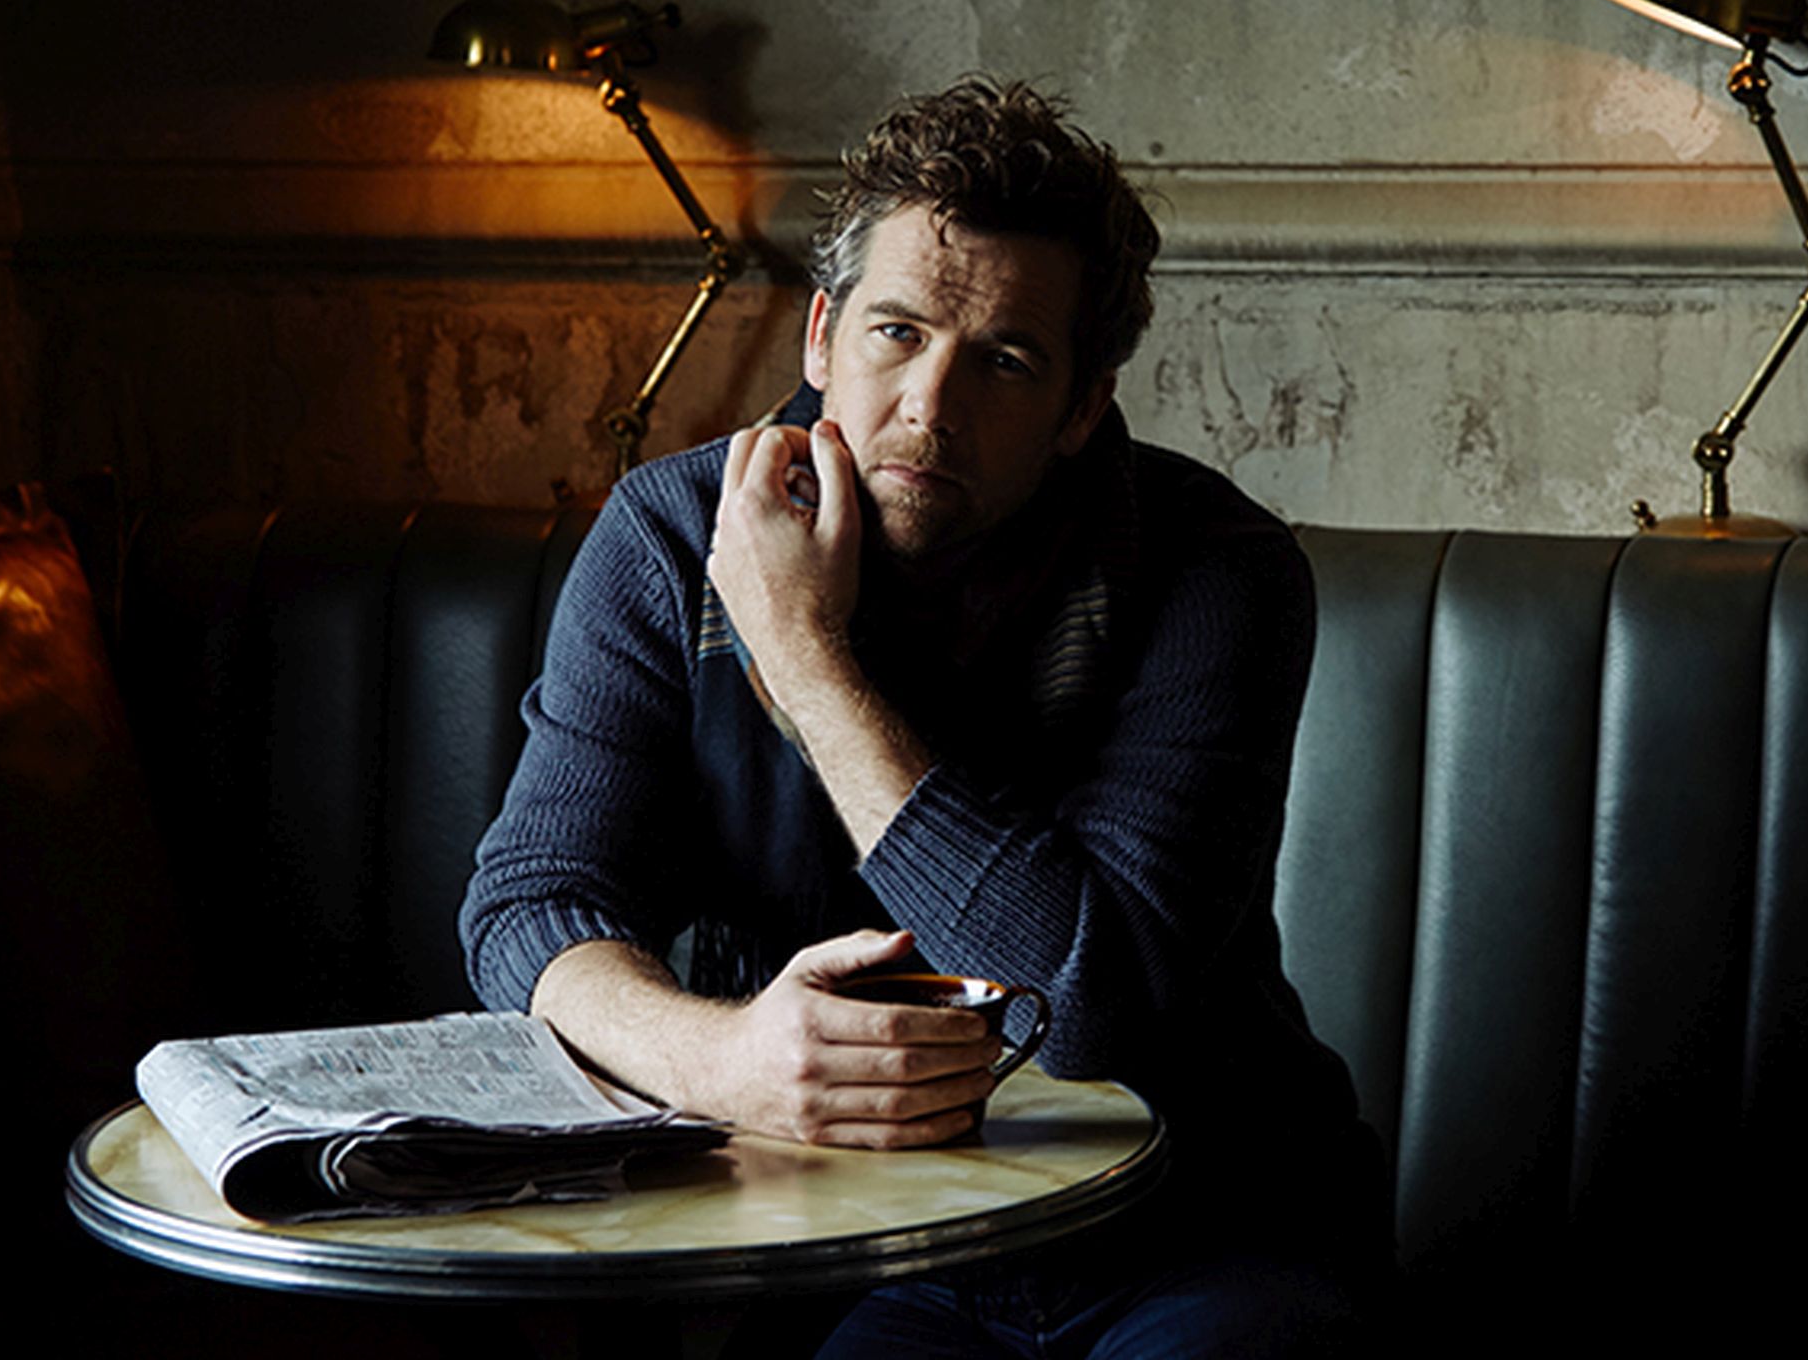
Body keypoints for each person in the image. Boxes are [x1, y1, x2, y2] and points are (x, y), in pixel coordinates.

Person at [460, 77, 1388, 1354]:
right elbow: (534, 907)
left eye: (1003, 362)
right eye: (896, 333)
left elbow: (1086, 996)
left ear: (1080, 408)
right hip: (849, 1245)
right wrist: (719, 1060)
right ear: (820, 335)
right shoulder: (672, 537)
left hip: (1197, 1227)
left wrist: (806, 654)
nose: (929, 407)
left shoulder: (1215, 570)